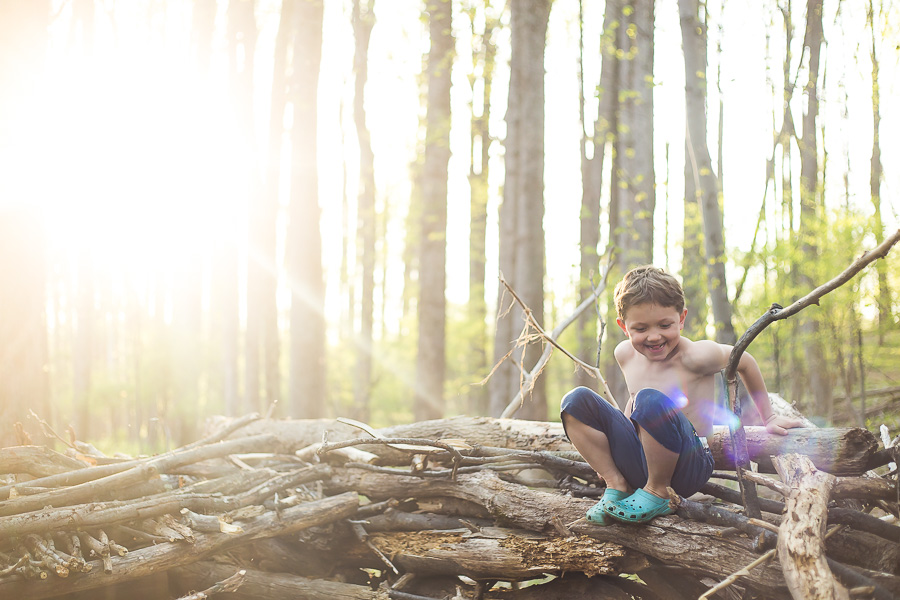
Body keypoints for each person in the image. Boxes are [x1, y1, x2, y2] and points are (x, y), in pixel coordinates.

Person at [561, 265, 804, 525]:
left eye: (665, 325)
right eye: (640, 329)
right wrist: (617, 448)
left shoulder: (698, 356)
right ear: (624, 326)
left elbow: (746, 361)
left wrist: (768, 418)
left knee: (650, 398)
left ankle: (659, 490)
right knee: (576, 401)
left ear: (681, 319)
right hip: (643, 460)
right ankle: (617, 484)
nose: (654, 337)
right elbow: (634, 404)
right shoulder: (625, 354)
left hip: (689, 465)